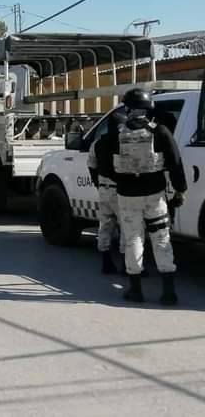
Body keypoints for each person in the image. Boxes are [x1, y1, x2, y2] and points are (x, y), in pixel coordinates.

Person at [113, 89, 187, 305]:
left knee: (133, 239)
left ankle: (135, 290)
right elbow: (175, 163)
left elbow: (106, 165)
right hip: (155, 196)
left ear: (128, 109)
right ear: (149, 108)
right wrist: (180, 190)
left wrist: (122, 181)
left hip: (127, 196)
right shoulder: (160, 131)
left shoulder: (117, 134)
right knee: (161, 239)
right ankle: (169, 293)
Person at [87, 113, 126, 274]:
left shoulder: (97, 143)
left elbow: (91, 166)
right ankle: (126, 265)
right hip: (121, 190)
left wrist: (98, 184)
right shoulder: (124, 142)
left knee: (105, 226)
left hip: (104, 189)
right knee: (126, 227)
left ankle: (106, 262)